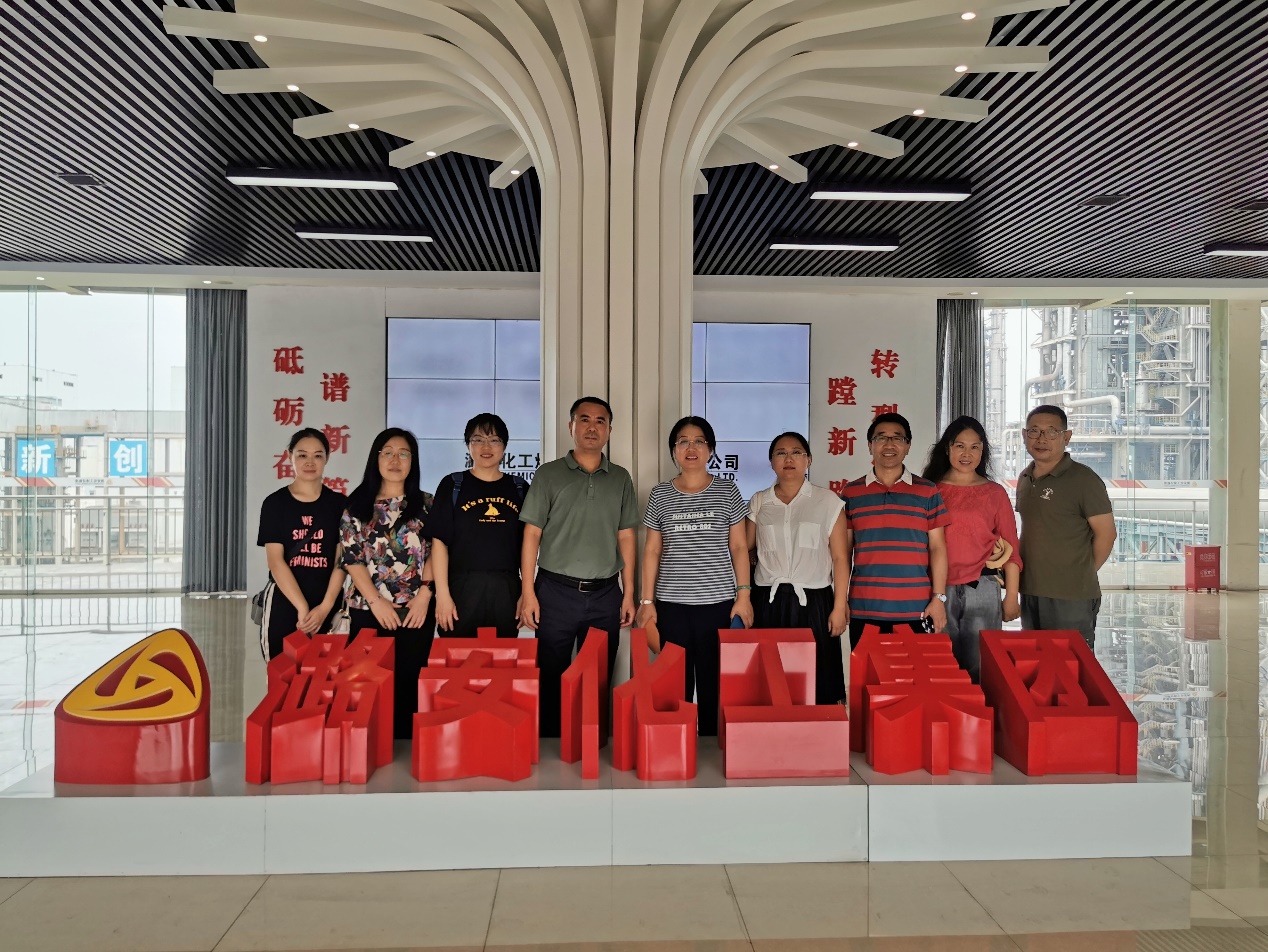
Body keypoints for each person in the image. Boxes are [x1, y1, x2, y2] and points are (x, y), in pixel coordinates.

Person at [519, 397, 638, 737]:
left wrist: (629, 593)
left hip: (604, 594)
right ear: (571, 426)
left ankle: (591, 743)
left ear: (610, 430)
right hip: (554, 592)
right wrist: (528, 592)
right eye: (584, 419)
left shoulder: (620, 478)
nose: (592, 427)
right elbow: (532, 534)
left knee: (597, 676)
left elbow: (626, 536)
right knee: (550, 673)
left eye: (600, 421)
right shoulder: (549, 474)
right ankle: (550, 743)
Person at [637, 416, 752, 736]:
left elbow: (739, 547)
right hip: (671, 606)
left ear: (710, 449)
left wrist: (743, 596)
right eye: (683, 442)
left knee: (715, 685)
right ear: (673, 450)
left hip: (718, 605)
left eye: (699, 441)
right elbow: (652, 550)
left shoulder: (727, 490)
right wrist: (646, 602)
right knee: (675, 688)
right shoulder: (660, 494)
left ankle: (712, 749)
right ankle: (677, 746)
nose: (691, 448)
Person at [339, 428, 434, 738]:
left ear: (413, 461)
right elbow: (352, 559)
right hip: (368, 610)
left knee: (409, 686)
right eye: (388, 453)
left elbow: (438, 552)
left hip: (415, 611)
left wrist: (424, 595)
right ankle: (367, 751)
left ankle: (406, 753)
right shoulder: (356, 506)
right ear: (376, 458)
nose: (395, 460)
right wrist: (377, 602)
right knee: (367, 688)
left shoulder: (427, 504)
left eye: (403, 453)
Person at [746, 432, 850, 705]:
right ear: (771, 461)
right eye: (780, 453)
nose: (788, 458)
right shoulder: (759, 501)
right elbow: (743, 547)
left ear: (808, 460)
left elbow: (840, 558)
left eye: (796, 452)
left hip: (815, 602)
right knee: (771, 682)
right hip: (768, 602)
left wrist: (839, 606)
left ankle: (816, 730)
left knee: (817, 682)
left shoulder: (828, 501)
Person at [921, 416, 1022, 681]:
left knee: (982, 666)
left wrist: (1012, 596)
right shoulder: (929, 491)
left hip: (983, 589)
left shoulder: (994, 493)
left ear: (983, 451)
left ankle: (981, 710)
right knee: (940, 667)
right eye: (960, 446)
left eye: (975, 447)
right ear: (947, 449)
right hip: (937, 591)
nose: (967, 454)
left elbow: (1012, 548)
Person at [841, 412, 950, 649]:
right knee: (867, 672)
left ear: (908, 446)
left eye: (897, 438)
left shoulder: (927, 492)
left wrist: (938, 598)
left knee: (913, 672)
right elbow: (843, 554)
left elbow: (938, 548)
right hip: (865, 608)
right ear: (870, 445)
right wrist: (840, 602)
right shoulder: (851, 493)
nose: (889, 444)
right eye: (881, 438)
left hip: (917, 609)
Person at [1016, 404, 1117, 648]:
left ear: (1066, 437)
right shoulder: (1025, 478)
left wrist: (1080, 572)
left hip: (1071, 596)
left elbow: (1107, 535)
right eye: (1034, 431)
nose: (1042, 439)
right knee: (1036, 662)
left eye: (1052, 432)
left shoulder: (1084, 480)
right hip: (1030, 590)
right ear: (1024, 435)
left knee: (1071, 664)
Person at [425, 413, 529, 639]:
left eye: (494, 440)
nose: (486, 447)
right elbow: (439, 542)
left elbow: (528, 546)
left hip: (506, 591)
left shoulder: (519, 488)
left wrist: (526, 593)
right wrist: (442, 595)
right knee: (456, 656)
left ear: (504, 445)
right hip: (461, 590)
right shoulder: (453, 484)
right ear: (468, 445)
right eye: (478, 439)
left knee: (503, 656)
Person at [255, 428, 347, 660]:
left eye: (318, 455)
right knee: (282, 675)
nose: (310, 462)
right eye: (302, 455)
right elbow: (276, 562)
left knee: (326, 677)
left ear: (327, 458)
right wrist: (302, 608)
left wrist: (325, 608)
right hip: (284, 604)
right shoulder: (274, 504)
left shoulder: (340, 505)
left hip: (328, 604)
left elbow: (341, 560)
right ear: (290, 456)